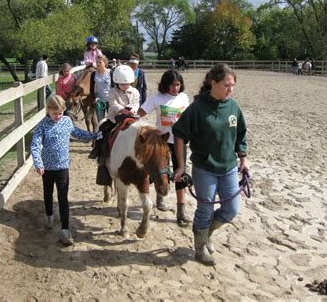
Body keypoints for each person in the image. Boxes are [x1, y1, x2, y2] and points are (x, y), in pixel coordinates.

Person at [172, 63, 248, 266]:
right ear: (213, 83)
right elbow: (179, 134)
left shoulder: (233, 106)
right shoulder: (197, 109)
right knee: (205, 209)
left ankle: (207, 236)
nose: (230, 89)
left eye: (232, 85)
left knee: (230, 209)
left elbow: (240, 134)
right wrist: (180, 166)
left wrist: (243, 158)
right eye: (227, 85)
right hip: (205, 168)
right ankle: (199, 249)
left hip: (229, 167)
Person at [31, 95, 100, 246]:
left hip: (63, 167)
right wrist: (38, 163)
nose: (58, 116)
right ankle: (49, 216)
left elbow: (77, 133)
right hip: (47, 169)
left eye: (60, 113)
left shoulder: (67, 121)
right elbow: (35, 146)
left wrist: (95, 135)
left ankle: (65, 230)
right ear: (48, 110)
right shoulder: (42, 125)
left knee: (63, 198)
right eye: (55, 113)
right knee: (48, 193)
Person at [138, 70, 191, 226]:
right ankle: (160, 197)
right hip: (161, 143)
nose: (175, 88)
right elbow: (140, 112)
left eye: (178, 84)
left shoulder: (184, 97)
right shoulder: (156, 98)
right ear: (165, 85)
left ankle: (181, 211)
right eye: (172, 85)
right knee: (160, 172)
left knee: (181, 174)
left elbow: (188, 119)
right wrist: (128, 118)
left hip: (180, 142)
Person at [89, 65, 140, 201]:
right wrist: (123, 109)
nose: (125, 86)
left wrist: (133, 110)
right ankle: (100, 154)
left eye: (127, 83)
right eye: (122, 84)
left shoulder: (134, 91)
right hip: (114, 118)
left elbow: (136, 103)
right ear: (117, 82)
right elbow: (113, 104)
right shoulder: (112, 91)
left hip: (131, 117)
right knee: (102, 131)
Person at [89, 54, 112, 122]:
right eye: (97, 62)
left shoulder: (110, 73)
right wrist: (94, 98)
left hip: (110, 100)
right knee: (100, 121)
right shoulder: (93, 74)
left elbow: (115, 87)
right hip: (99, 101)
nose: (98, 64)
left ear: (105, 63)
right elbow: (91, 89)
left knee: (111, 120)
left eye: (100, 62)